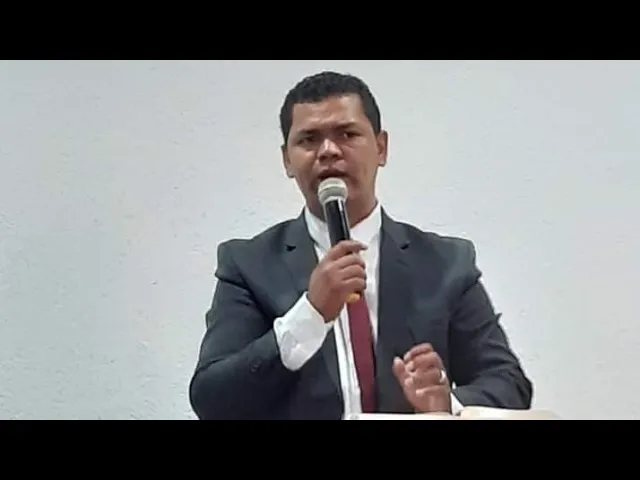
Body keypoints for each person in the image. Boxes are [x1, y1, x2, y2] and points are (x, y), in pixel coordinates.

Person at [188, 70, 533, 420]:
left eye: (347, 134)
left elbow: (509, 384)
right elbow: (212, 400)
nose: (328, 151)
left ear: (381, 148)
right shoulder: (248, 265)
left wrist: (445, 405)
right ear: (287, 160)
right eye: (308, 139)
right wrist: (310, 315)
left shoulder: (446, 264)